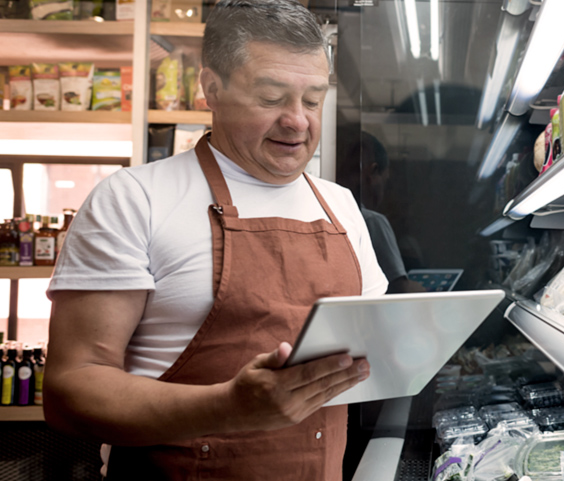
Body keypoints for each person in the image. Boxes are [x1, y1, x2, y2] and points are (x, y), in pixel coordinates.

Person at [42, 1, 388, 479]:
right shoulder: (135, 198)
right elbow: (70, 391)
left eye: (312, 100)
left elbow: (370, 358)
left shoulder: (341, 206)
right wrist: (228, 407)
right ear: (211, 89)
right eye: (271, 98)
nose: (298, 121)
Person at [356, 132, 425, 293]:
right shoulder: (372, 221)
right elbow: (399, 288)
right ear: (372, 173)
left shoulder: (334, 213)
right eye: (386, 182)